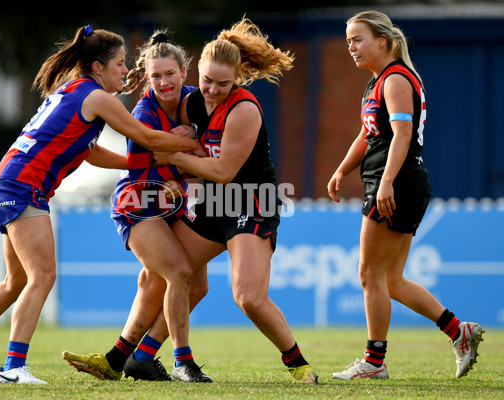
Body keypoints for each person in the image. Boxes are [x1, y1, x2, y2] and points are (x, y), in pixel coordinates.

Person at [0, 24, 199, 385]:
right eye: (120, 64)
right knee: (42, 277)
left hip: (4, 182)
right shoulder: (97, 97)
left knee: (16, 282)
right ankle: (12, 369)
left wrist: (144, 161)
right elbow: (146, 136)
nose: (126, 70)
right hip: (22, 186)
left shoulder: (74, 90)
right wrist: (195, 145)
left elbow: (90, 154)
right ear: (97, 68)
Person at [151, 17, 318, 384]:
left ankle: (298, 364)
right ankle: (136, 355)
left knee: (248, 297)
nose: (211, 90)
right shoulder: (192, 101)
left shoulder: (244, 109)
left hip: (250, 201)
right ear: (197, 71)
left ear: (238, 78)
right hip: (213, 201)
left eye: (223, 84)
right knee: (167, 272)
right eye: (207, 80)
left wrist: (176, 157)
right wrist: (183, 142)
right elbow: (190, 145)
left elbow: (225, 171)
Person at [327, 10, 484, 380]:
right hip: (399, 182)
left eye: (357, 38)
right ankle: (458, 332)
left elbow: (402, 135)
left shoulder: (395, 78)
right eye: (348, 40)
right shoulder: (378, 81)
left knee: (369, 274)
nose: (351, 46)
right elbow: (369, 135)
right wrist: (342, 169)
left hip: (396, 183)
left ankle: (373, 362)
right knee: (391, 280)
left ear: (382, 40)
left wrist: (385, 183)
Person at [61, 30, 213, 383]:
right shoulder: (143, 112)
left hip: (174, 203)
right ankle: (182, 362)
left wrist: (190, 147)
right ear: (147, 78)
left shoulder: (197, 101)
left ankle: (131, 358)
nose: (164, 82)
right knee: (179, 274)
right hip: (140, 202)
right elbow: (151, 165)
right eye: (156, 76)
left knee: (190, 284)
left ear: (183, 72)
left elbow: (208, 148)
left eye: (170, 74)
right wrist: (189, 151)